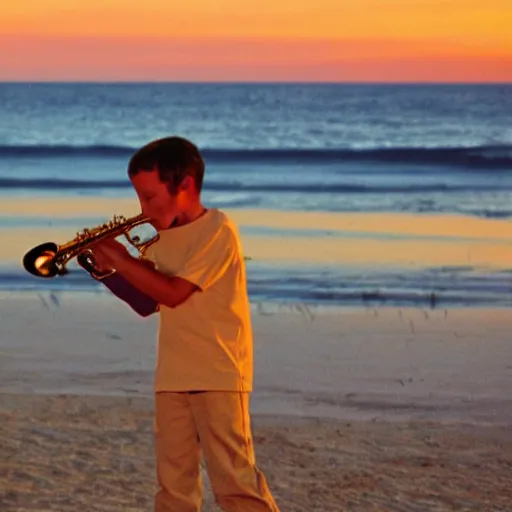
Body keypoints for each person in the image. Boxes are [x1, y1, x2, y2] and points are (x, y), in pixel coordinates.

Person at [78, 136, 280, 512]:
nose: (143, 208)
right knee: (173, 491)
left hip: (218, 373)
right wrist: (104, 271)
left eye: (150, 197)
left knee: (235, 485)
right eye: (139, 198)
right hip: (171, 377)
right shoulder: (160, 241)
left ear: (185, 185)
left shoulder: (217, 229)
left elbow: (174, 293)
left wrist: (123, 260)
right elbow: (147, 302)